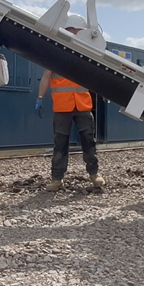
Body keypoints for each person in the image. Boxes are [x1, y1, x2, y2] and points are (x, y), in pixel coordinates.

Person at [35, 14, 104, 192]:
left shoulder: (86, 53)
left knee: (89, 142)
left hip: (83, 106)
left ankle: (94, 175)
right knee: (60, 144)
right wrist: (40, 98)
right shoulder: (55, 53)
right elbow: (45, 78)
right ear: (70, 31)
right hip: (63, 107)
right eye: (78, 31)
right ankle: (57, 179)